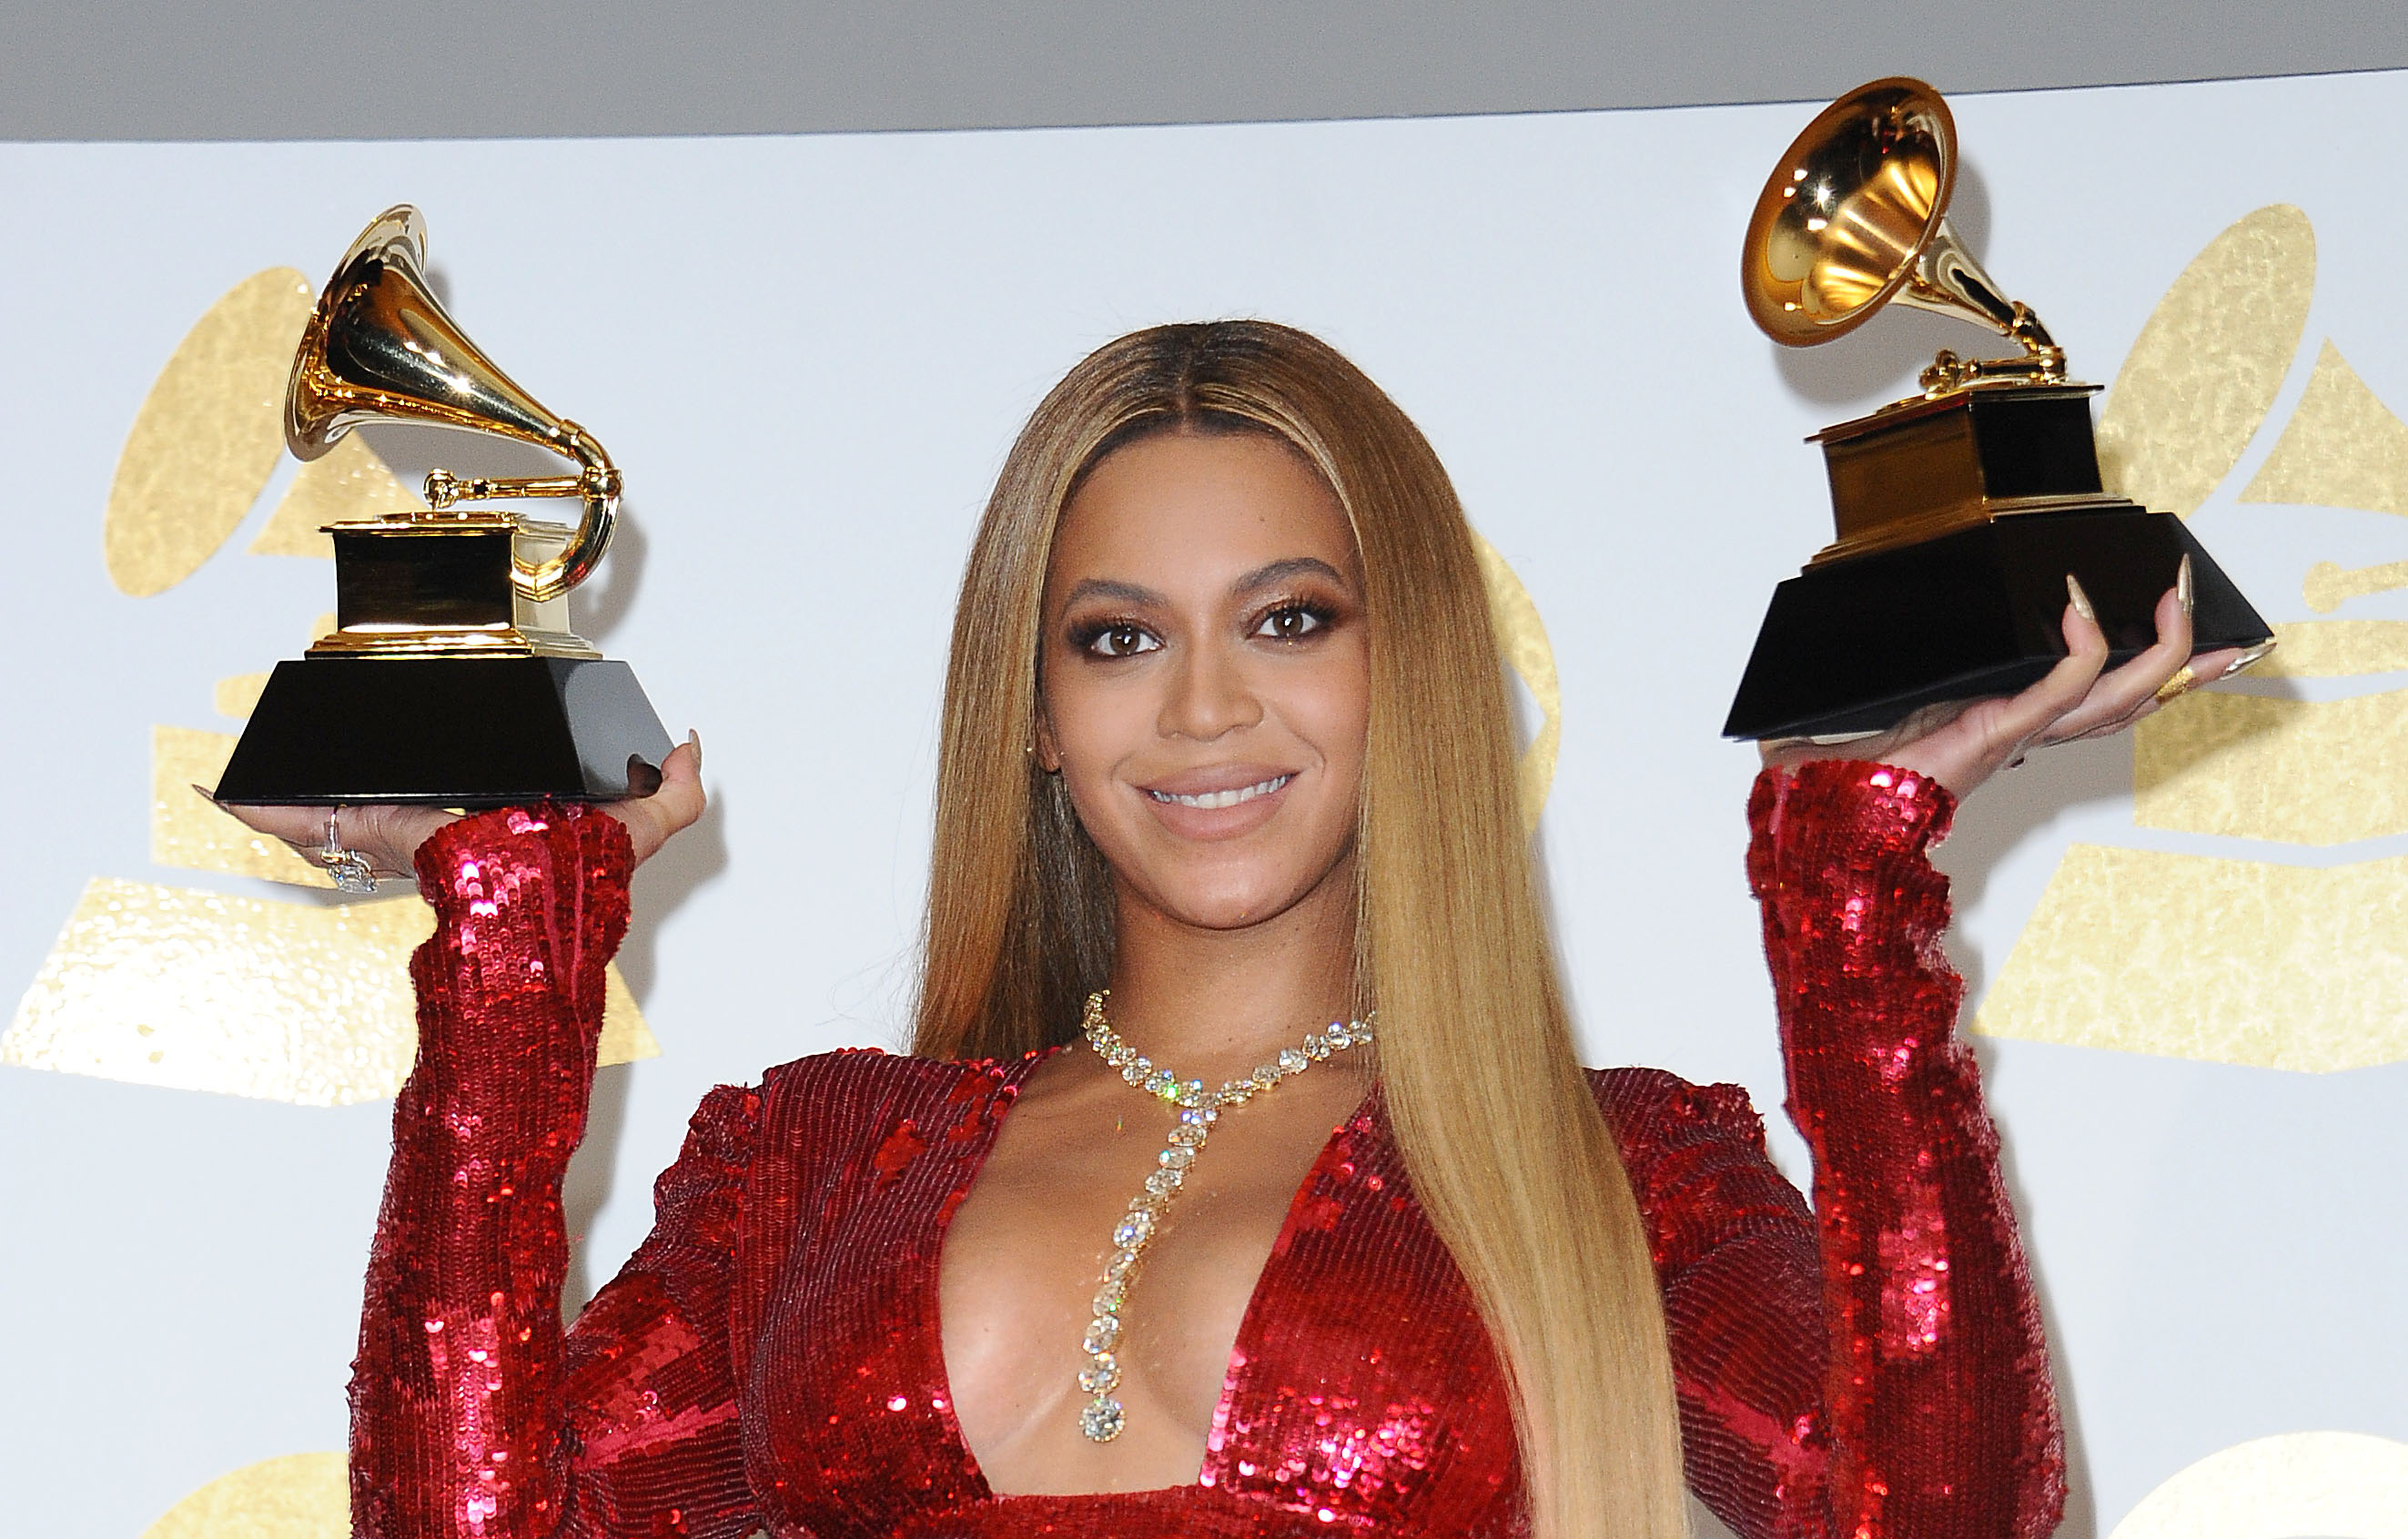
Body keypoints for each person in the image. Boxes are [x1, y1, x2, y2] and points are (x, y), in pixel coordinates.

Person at [231, 320, 2238, 1539]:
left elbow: (1946, 1513)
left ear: (1411, 670)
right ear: (1031, 706)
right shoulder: (810, 1166)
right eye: (1118, 640)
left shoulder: (1615, 1175)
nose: (1202, 710)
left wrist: (1855, 886)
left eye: (1290, 620)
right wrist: (507, 963)